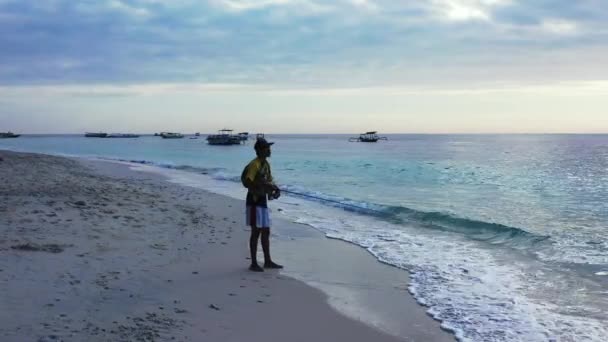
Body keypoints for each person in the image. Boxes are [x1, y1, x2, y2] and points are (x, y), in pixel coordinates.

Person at [242, 138, 283, 272]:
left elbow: (269, 181)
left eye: (269, 147)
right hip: (254, 200)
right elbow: (248, 182)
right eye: (266, 148)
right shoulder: (254, 165)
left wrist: (273, 189)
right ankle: (253, 263)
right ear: (259, 150)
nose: (269, 150)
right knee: (256, 232)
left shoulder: (266, 164)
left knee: (266, 231)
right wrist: (262, 184)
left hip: (262, 200)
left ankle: (268, 261)